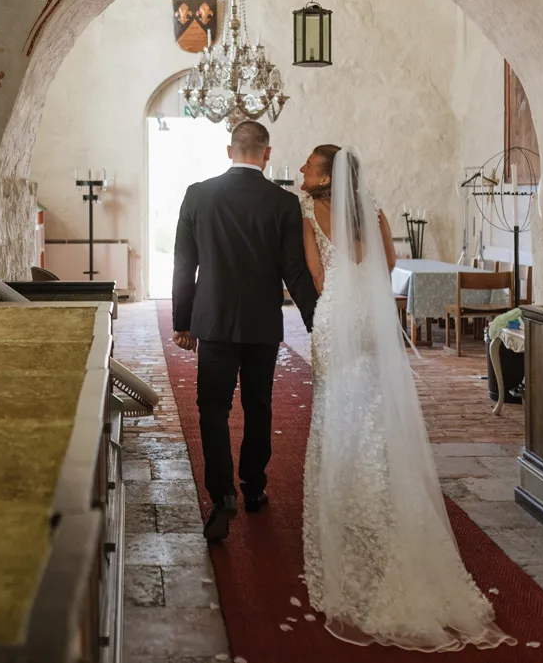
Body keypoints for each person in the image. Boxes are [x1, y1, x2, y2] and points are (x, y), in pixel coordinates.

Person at [298, 144, 515, 652]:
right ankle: (387, 494)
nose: (302, 170)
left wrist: (337, 290)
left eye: (309, 165)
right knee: (374, 406)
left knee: (335, 409)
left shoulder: (309, 216)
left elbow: (318, 276)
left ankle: (347, 503)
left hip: (336, 315)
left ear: (326, 177)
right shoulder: (373, 211)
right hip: (370, 318)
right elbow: (390, 264)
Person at [171, 120, 319, 543]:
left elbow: (184, 264)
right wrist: (317, 321)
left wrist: (183, 321)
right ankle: (253, 486)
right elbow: (294, 271)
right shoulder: (283, 202)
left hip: (214, 321)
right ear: (267, 154)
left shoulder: (198, 194)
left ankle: (222, 496)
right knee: (258, 405)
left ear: (229, 150)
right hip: (262, 324)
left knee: (212, 408)